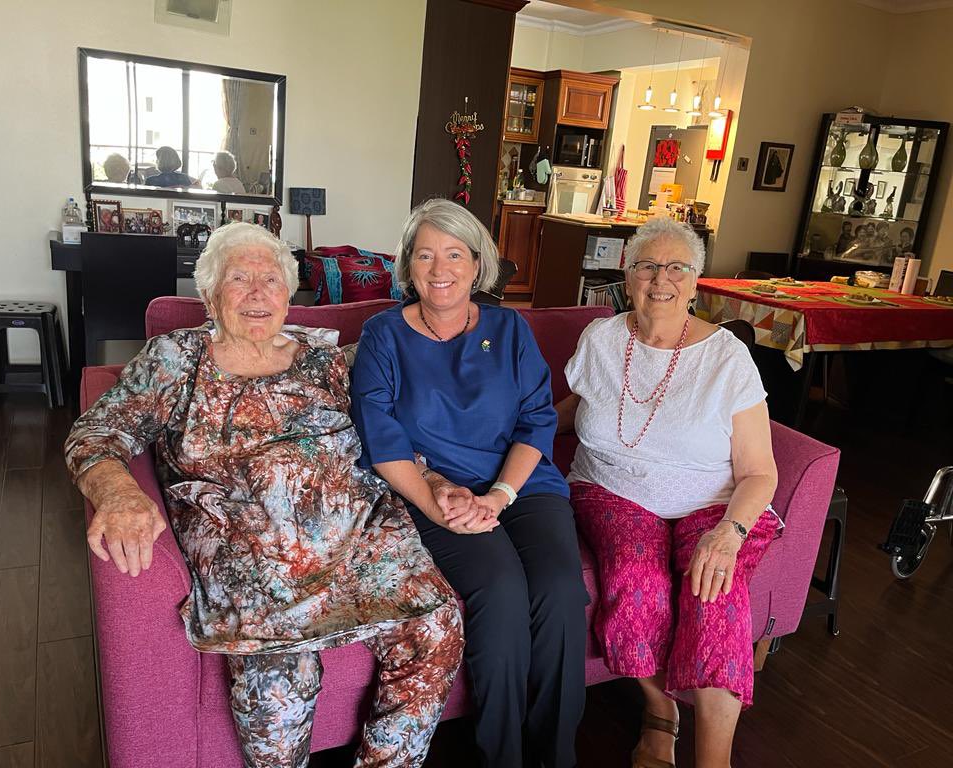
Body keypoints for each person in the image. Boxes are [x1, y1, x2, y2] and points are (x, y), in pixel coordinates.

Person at [65, 222, 464, 768]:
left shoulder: (327, 361)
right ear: (209, 295)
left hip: (363, 541)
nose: (258, 293)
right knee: (280, 686)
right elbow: (98, 432)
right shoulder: (177, 360)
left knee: (437, 625)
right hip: (253, 560)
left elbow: (384, 434)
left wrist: (433, 480)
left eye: (271, 279)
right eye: (239, 279)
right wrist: (116, 491)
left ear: (288, 292)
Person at [350, 198, 588, 768]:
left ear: (478, 264)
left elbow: (538, 419)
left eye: (455, 254)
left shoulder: (510, 329)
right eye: (426, 254)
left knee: (559, 588)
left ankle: (556, 755)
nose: (440, 269)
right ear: (407, 266)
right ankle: (499, 756)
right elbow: (381, 441)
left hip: (522, 486)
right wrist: (438, 505)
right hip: (434, 494)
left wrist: (500, 496)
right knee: (501, 590)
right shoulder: (382, 335)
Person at [557, 218, 780, 768]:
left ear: (696, 279)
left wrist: (729, 533)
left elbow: (760, 472)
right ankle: (661, 713)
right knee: (635, 582)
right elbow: (573, 410)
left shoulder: (727, 359)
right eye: (647, 266)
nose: (662, 279)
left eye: (677, 266)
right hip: (611, 489)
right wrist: (508, 434)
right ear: (626, 277)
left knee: (715, 593)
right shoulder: (601, 339)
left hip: (713, 502)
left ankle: (714, 760)